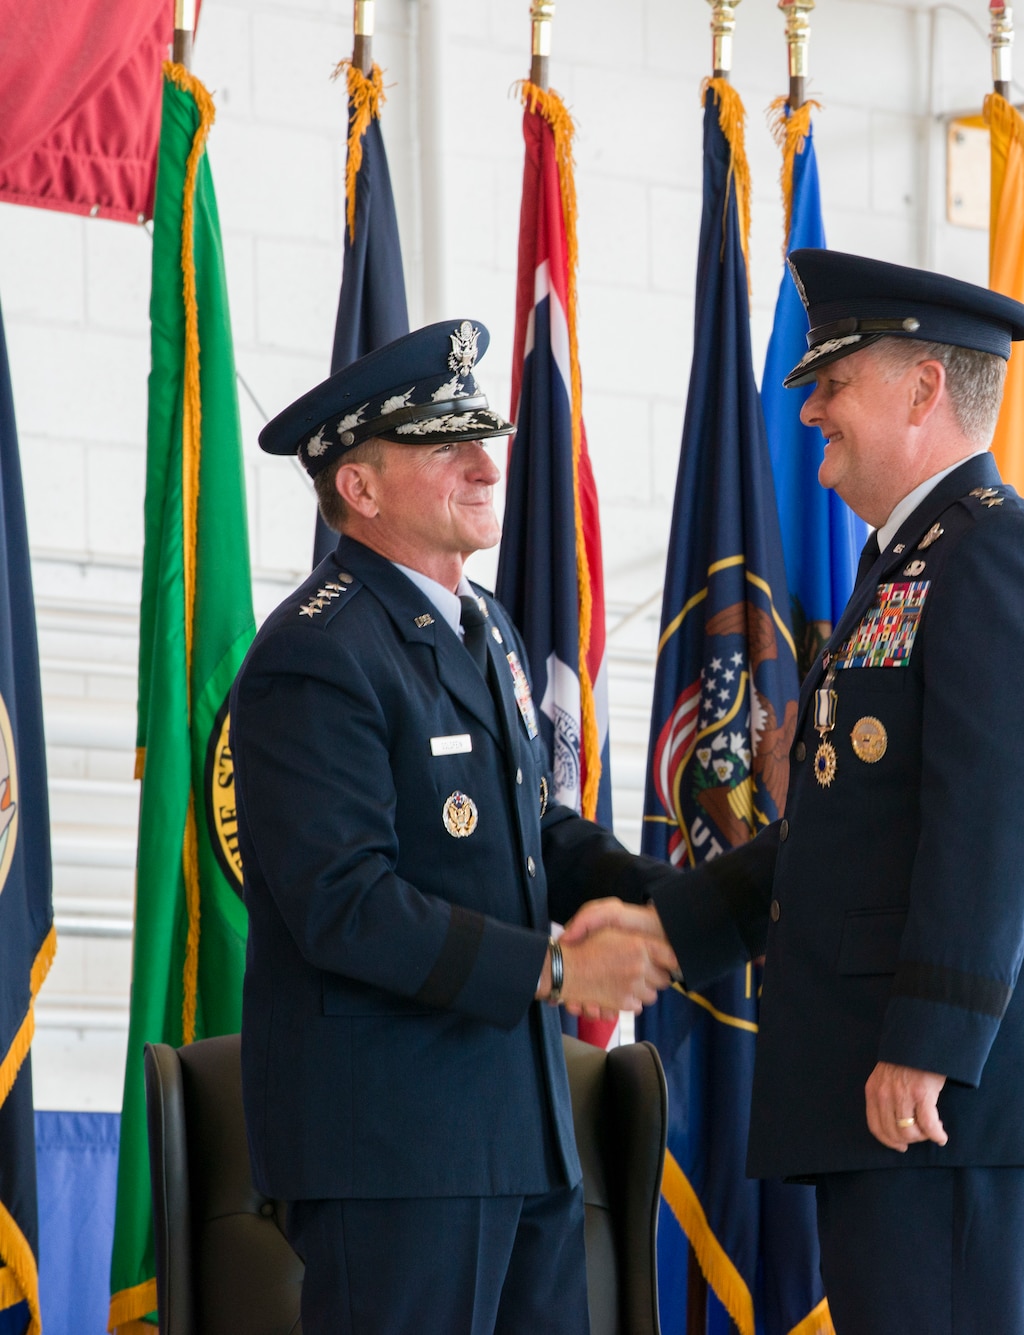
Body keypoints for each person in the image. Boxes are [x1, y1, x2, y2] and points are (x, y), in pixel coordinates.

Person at [646, 250, 1024, 1334]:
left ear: (919, 392)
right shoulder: (907, 563)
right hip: (904, 1094)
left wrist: (929, 1045)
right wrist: (662, 926)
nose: (809, 407)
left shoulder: (993, 551)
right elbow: (841, 832)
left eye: (832, 381)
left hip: (949, 1099)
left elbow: (994, 820)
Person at [234, 318, 681, 1333]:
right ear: (359, 486)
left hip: (515, 1129)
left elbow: (529, 832)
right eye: (447, 448)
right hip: (391, 1148)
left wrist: (672, 903)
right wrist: (564, 973)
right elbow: (345, 906)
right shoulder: (319, 654)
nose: (487, 466)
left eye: (484, 441)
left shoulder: (487, 631)